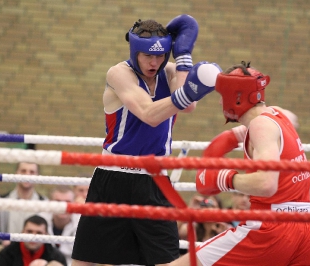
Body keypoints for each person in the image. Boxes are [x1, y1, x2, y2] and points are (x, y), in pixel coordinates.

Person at [71, 14, 222, 266]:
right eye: (148, 56)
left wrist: (183, 57)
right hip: (113, 177)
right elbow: (150, 114)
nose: (154, 62)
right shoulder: (119, 74)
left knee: (166, 261)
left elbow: (188, 106)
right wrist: (191, 90)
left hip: (155, 181)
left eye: (160, 55)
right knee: (87, 262)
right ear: (134, 52)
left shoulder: (171, 70)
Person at [170, 61, 310, 265]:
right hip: (304, 227)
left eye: (223, 96)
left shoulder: (261, 126)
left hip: (270, 228)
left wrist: (225, 179)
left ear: (236, 96)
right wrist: (236, 135)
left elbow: (267, 184)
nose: (220, 103)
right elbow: (289, 120)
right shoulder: (277, 115)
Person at [0, 162, 48, 235]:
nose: (27, 175)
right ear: (16, 174)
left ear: (38, 176)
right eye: (23, 171)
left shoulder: (45, 203)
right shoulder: (0, 201)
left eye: (32, 172)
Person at [0, 215, 67, 266]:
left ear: (46, 235)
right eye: (29, 231)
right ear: (22, 232)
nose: (33, 237)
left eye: (39, 233)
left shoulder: (56, 256)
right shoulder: (7, 253)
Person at [40, 185, 80, 266]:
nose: (63, 206)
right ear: (50, 202)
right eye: (58, 202)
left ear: (74, 203)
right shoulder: (39, 220)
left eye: (67, 202)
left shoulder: (82, 223)